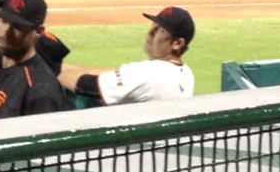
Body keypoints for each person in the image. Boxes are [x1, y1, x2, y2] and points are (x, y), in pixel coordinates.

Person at [58, 7, 195, 106]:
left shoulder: (149, 73)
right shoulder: (185, 72)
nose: (150, 32)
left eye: (161, 30)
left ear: (177, 43)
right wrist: (62, 66)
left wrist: (47, 68)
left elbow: (86, 86)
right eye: (154, 25)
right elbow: (113, 73)